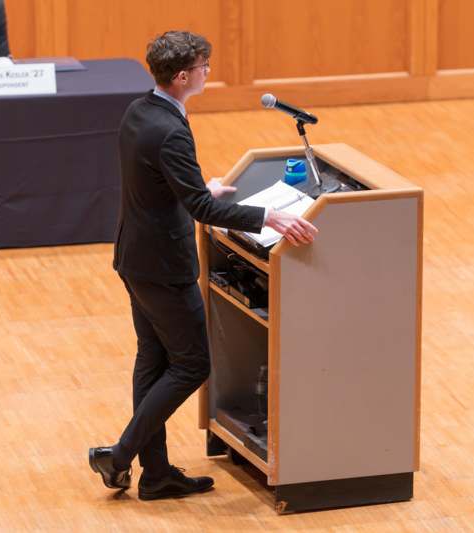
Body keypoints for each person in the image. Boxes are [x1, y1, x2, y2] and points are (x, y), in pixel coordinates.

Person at [88, 31, 318, 501]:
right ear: (181, 76)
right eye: (203, 66)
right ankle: (121, 453)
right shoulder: (171, 128)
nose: (208, 72)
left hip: (134, 256)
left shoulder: (140, 111)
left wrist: (197, 189)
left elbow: (153, 181)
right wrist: (266, 215)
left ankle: (155, 475)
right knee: (192, 365)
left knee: (152, 361)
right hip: (164, 267)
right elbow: (202, 210)